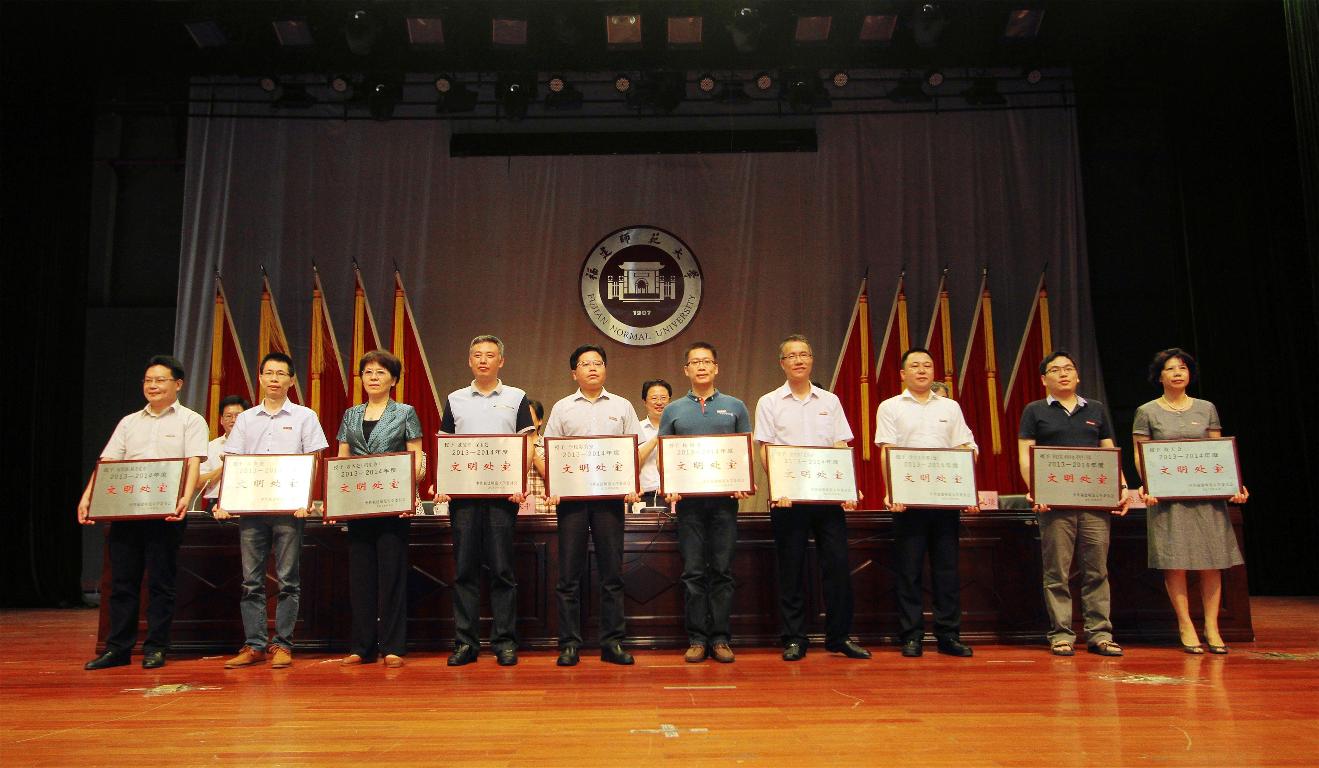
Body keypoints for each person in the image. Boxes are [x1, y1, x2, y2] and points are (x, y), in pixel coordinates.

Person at [78, 355, 207, 670]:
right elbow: (108, 462)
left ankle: (156, 647)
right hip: (127, 512)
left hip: (166, 513)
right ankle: (117, 649)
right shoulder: (129, 422)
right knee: (122, 581)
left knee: (161, 583)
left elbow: (193, 462)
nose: (153, 386)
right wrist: (88, 497)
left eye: (160, 380)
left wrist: (185, 498)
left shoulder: (191, 421)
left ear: (178, 384)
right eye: (148, 380)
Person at [755, 335, 870, 662]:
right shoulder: (769, 402)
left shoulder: (830, 401)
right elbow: (766, 449)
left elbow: (840, 445)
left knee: (837, 566)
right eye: (791, 356)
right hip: (788, 500)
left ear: (811, 360)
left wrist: (847, 487)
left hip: (827, 500)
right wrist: (778, 487)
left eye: (804, 354)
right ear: (782, 363)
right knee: (791, 569)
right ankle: (794, 638)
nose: (798, 360)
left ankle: (840, 637)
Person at [215, 351, 330, 669]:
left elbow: (314, 460)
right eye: (269, 373)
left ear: (291, 380)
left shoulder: (305, 416)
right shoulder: (246, 419)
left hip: (289, 511)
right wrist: (226, 502)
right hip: (251, 510)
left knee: (288, 579)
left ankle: (282, 644)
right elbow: (233, 462)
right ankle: (254, 645)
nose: (275, 379)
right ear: (261, 378)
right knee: (251, 581)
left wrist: (306, 499)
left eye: (281, 374)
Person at [1133, 348, 1248, 654]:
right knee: (1175, 562)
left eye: (1183, 368)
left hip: (1205, 497)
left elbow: (1218, 454)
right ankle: (1185, 624)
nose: (1177, 373)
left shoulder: (1206, 408)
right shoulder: (1147, 412)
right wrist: (1149, 485)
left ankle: (1212, 626)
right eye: (1171, 369)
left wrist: (1233, 485)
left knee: (1212, 561)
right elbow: (1140, 454)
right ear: (1160, 377)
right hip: (1167, 500)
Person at [1017, 350, 1130, 657]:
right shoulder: (1035, 410)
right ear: (1044, 380)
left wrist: (1121, 487)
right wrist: (1036, 490)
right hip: (1055, 506)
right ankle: (1061, 634)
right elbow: (1026, 456)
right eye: (1055, 370)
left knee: (1097, 571)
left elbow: (1109, 453)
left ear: (1078, 376)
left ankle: (1100, 634)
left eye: (1068, 368)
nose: (1063, 373)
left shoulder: (1095, 409)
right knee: (1057, 573)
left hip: (1095, 503)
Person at [535, 344, 641, 666]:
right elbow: (549, 452)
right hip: (572, 502)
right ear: (574, 373)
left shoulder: (622, 406)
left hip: (610, 501)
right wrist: (554, 486)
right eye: (585, 364)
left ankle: (613, 643)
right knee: (569, 574)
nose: (592, 368)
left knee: (612, 573)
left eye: (598, 363)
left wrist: (631, 486)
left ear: (605, 369)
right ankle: (569, 644)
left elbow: (633, 451)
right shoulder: (562, 408)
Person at [434, 335, 535, 667]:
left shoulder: (517, 397)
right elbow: (445, 445)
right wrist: (444, 483)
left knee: (502, 569)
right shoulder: (455, 399)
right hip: (464, 498)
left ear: (500, 361)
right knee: (464, 570)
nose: (483, 360)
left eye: (490, 355)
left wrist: (518, 481)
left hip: (502, 496)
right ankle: (466, 643)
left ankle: (505, 642)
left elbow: (527, 443)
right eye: (477, 355)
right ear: (469, 361)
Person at [875, 348, 979, 658]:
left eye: (927, 365)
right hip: (908, 503)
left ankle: (949, 635)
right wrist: (892, 491)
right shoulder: (890, 407)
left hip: (944, 502)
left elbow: (966, 447)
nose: (922, 370)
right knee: (909, 571)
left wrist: (965, 488)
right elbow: (887, 451)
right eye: (915, 366)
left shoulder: (950, 407)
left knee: (947, 570)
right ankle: (911, 636)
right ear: (902, 374)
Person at [660, 341, 752, 664]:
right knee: (693, 571)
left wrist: (743, 482)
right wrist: (670, 486)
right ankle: (698, 638)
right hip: (689, 505)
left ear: (716, 367)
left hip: (725, 503)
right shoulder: (673, 410)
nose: (701, 366)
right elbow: (666, 456)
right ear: (686, 370)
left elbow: (744, 451)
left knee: (723, 571)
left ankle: (721, 638)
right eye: (695, 362)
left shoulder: (735, 406)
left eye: (707, 361)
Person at [335, 350, 424, 668]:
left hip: (393, 507)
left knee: (392, 576)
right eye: (368, 372)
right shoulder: (350, 415)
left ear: (394, 380)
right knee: (360, 577)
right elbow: (342, 459)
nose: (373, 377)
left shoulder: (405, 412)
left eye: (381, 372)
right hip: (359, 505)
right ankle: (361, 647)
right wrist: (338, 498)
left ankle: (393, 646)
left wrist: (407, 493)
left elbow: (416, 459)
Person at [197, 395, 249, 512]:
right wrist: (227, 465)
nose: (233, 420)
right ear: (221, 420)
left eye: (238, 416)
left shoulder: (255, 446)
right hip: (215, 505)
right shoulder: (210, 447)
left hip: (247, 503)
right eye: (228, 416)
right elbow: (199, 483)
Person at [634, 379, 671, 511]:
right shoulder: (636, 428)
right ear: (645, 401)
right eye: (654, 398)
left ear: (670, 401)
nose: (659, 402)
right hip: (643, 495)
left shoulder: (677, 429)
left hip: (672, 495)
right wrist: (657, 437)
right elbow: (632, 464)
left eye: (663, 398)